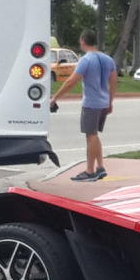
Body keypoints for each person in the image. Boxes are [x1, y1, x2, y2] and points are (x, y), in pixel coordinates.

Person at [52, 30, 117, 181]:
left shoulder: (85, 60)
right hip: (103, 102)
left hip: (91, 104)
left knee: (91, 136)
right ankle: (100, 167)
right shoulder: (108, 59)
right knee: (94, 136)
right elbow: (113, 82)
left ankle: (89, 171)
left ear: (82, 40)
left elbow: (70, 82)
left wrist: (55, 98)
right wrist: (110, 101)